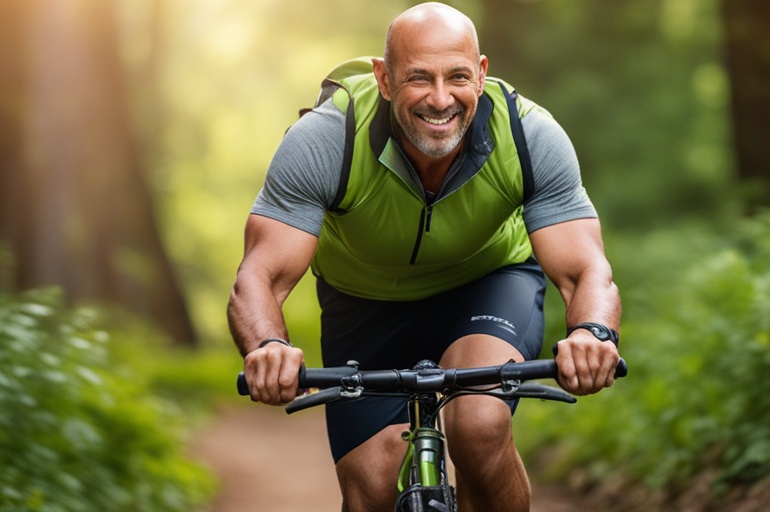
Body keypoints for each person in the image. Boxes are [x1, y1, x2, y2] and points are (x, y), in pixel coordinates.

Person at [228, 3, 622, 511]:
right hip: (364, 302)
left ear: (480, 74)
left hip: (487, 283)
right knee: (371, 487)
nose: (441, 99)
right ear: (385, 79)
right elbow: (260, 274)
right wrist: (267, 346)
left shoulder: (528, 135)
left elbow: (585, 268)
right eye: (419, 78)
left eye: (457, 76)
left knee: (479, 426)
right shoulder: (327, 141)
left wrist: (593, 333)